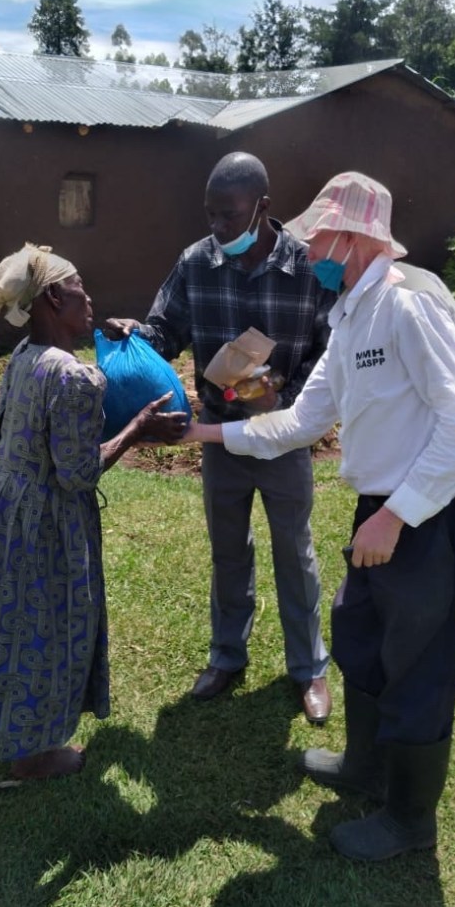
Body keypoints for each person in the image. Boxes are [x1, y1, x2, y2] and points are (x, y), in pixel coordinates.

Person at [181, 172, 455, 861]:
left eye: (319, 236)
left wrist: (397, 517)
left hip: (428, 514)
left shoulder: (410, 302)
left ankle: (409, 822)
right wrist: (202, 433)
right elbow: (299, 422)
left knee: (418, 662)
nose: (311, 249)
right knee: (362, 636)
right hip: (381, 508)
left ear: (353, 236)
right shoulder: (350, 314)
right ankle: (364, 767)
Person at [0, 243, 186, 780]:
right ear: (52, 298)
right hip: (44, 523)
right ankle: (34, 755)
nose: (89, 300)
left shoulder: (25, 356)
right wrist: (137, 429)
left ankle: (0, 732)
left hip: (1, 506)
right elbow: (78, 472)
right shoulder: (73, 377)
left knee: (5, 625)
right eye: (79, 290)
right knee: (45, 630)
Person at [105, 152, 333, 724]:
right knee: (228, 548)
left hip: (282, 436)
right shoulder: (196, 263)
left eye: (229, 215)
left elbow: (329, 354)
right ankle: (227, 656)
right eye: (210, 214)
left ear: (263, 207)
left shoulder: (307, 269)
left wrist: (285, 396)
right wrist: (138, 333)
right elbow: (166, 331)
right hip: (219, 433)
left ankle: (309, 669)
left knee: (294, 550)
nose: (218, 227)